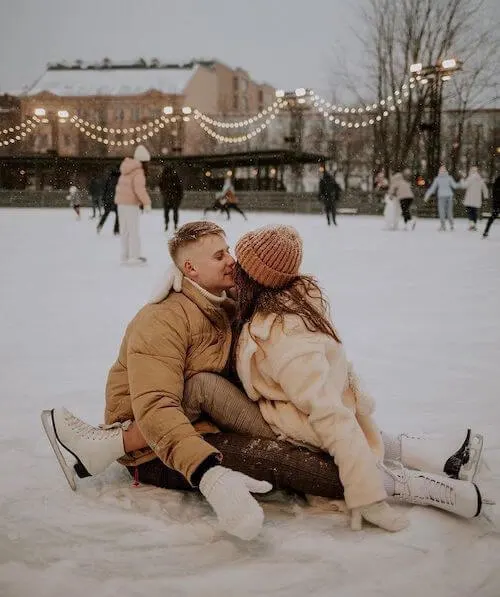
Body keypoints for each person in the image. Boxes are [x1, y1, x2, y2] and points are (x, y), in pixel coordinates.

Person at [41, 223, 489, 539]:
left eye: (230, 251)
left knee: (308, 425)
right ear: (190, 271)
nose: (232, 262)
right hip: (159, 448)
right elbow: (158, 409)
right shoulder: (161, 320)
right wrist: (210, 474)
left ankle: (418, 450)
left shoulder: (226, 301)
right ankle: (416, 486)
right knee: (296, 462)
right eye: (220, 256)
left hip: (207, 420)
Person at [115, 145, 152, 265]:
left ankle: (125, 255)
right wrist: (147, 203)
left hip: (121, 204)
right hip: (131, 205)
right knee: (133, 231)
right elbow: (139, 189)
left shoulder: (126, 169)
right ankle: (134, 256)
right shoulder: (138, 172)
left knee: (125, 230)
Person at [424, 166, 459, 231]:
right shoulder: (447, 178)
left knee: (443, 211)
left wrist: (427, 196)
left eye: (443, 170)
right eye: (441, 170)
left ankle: (445, 226)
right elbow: (455, 186)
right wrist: (461, 183)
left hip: (444, 196)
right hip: (447, 196)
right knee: (448, 211)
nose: (442, 171)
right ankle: (450, 225)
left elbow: (432, 189)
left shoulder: (438, 179)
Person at [461, 167, 489, 231]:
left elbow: (464, 186)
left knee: (469, 211)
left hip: (469, 199)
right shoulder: (480, 179)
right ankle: (474, 225)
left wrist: (462, 180)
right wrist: (486, 197)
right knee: (474, 212)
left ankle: (472, 224)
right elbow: (485, 189)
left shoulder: (470, 178)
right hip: (476, 200)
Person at [96, 167, 121, 236]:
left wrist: (104, 199)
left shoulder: (109, 179)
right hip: (117, 200)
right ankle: (116, 230)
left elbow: (105, 189)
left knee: (106, 213)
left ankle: (100, 225)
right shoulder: (120, 180)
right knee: (118, 215)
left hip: (108, 199)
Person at [159, 166, 183, 232]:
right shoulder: (175, 177)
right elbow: (180, 188)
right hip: (174, 197)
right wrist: (179, 197)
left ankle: (167, 224)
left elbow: (161, 186)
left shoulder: (164, 177)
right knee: (174, 212)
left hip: (167, 197)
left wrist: (164, 193)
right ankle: (175, 224)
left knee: (166, 212)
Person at [483, 174, 500, 238]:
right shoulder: (497, 180)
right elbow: (494, 191)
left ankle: (486, 231)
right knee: (493, 216)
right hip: (497, 202)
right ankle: (486, 231)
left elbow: (494, 191)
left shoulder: (497, 180)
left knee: (492, 217)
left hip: (496, 202)